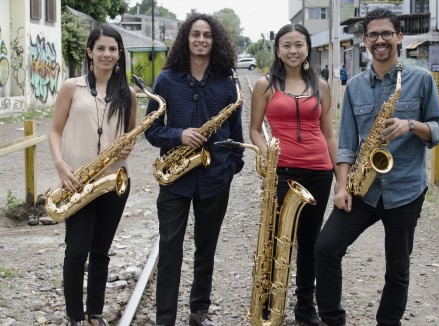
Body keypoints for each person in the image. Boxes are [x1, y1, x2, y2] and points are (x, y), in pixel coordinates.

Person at [314, 8, 439, 326]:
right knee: (326, 247)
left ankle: (388, 322)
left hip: (405, 189)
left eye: (387, 33)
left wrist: (411, 125)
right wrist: (342, 186)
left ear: (399, 37)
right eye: (373, 35)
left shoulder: (421, 79)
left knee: (397, 267)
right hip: (364, 187)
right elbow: (346, 143)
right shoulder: (356, 87)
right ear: (364, 41)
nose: (380, 40)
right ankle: (332, 319)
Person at [144, 13, 244, 326]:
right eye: (196, 34)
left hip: (215, 179)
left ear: (215, 41)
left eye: (207, 35)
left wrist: (232, 166)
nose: (201, 39)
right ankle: (165, 318)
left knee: (206, 248)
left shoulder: (227, 83)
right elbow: (150, 130)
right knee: (170, 248)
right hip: (175, 179)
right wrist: (179, 134)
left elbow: (236, 134)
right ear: (187, 38)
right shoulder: (166, 79)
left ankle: (199, 311)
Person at [49, 24, 137, 326]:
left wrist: (127, 148)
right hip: (78, 181)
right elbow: (55, 130)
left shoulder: (129, 94)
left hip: (114, 181)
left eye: (112, 49)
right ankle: (75, 316)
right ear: (89, 52)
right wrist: (61, 165)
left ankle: (95, 313)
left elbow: (130, 134)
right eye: (100, 48)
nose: (107, 54)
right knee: (76, 251)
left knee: (101, 251)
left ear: (119, 53)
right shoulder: (71, 87)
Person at [250, 24, 338, 326]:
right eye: (286, 45)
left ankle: (304, 306)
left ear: (307, 49)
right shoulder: (265, 85)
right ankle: (269, 303)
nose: (293, 50)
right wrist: (266, 153)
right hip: (282, 171)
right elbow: (253, 129)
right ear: (277, 49)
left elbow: (329, 134)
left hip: (319, 170)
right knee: (275, 238)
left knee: (309, 241)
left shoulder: (322, 85)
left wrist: (340, 175)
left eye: (299, 45)